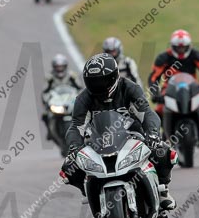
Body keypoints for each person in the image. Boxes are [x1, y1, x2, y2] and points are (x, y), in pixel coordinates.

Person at [60, 54, 177, 210]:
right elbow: (76, 126)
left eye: (102, 80)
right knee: (69, 167)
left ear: (114, 76)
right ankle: (88, 191)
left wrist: (152, 135)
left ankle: (163, 190)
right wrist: (74, 147)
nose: (98, 85)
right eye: (93, 81)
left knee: (163, 151)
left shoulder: (130, 88)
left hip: (132, 137)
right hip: (98, 142)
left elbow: (147, 114)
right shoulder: (83, 98)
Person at [148, 29, 199, 146]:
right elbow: (153, 77)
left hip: (193, 88)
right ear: (173, 46)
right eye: (178, 47)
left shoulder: (196, 55)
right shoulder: (163, 58)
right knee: (159, 109)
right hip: (169, 90)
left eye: (184, 47)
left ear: (189, 46)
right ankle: (164, 134)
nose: (181, 50)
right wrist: (154, 93)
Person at [42, 54, 82, 140]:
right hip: (57, 102)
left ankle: (86, 130)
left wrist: (80, 99)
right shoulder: (49, 77)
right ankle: (50, 131)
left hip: (70, 101)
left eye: (61, 67)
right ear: (54, 67)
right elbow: (45, 92)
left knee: (84, 112)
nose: (59, 69)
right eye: (57, 67)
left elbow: (80, 89)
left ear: (65, 66)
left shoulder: (72, 75)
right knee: (45, 115)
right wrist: (47, 102)